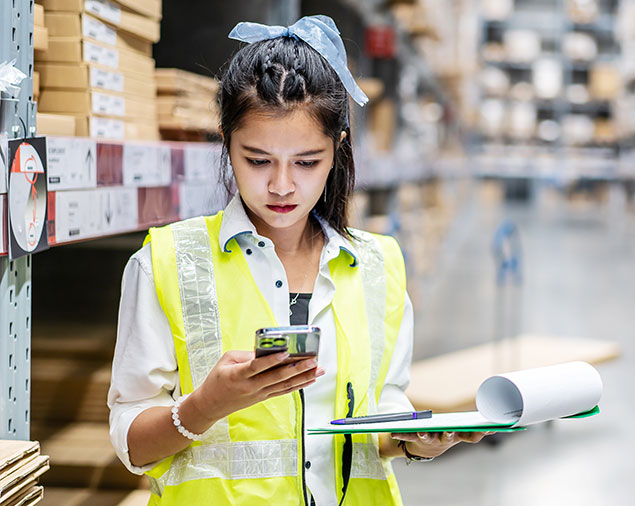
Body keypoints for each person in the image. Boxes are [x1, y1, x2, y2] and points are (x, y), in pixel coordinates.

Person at [108, 16, 488, 506]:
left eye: (307, 162)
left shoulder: (378, 265)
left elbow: (379, 417)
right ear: (226, 141)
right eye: (258, 160)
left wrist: (412, 442)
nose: (283, 186)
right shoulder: (164, 264)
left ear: (338, 149)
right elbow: (132, 444)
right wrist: (205, 406)